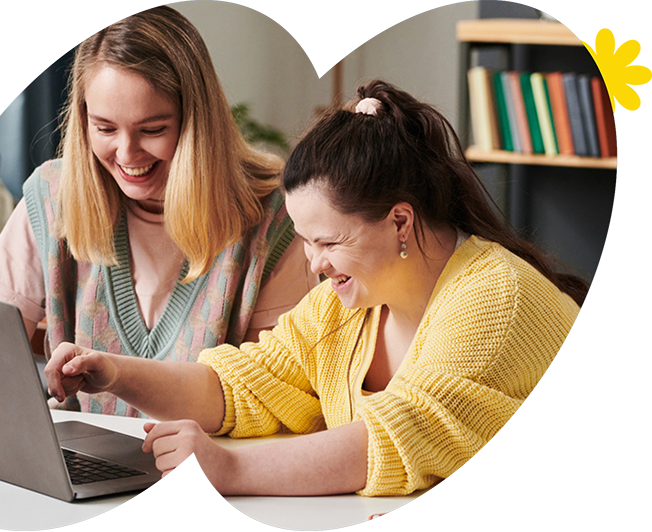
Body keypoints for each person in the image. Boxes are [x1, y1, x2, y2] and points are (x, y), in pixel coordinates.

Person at [44, 79, 586, 497]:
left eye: (328, 242)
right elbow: (243, 387)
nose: (315, 264)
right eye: (304, 241)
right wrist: (115, 373)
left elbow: (402, 437)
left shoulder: (494, 297)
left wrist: (227, 467)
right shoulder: (346, 305)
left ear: (400, 221)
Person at [0, 6, 319, 416]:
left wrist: (119, 374)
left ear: (196, 123)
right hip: (83, 464)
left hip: (208, 469)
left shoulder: (275, 217)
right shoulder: (52, 195)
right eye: (104, 128)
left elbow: (272, 398)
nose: (126, 154)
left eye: (152, 130)